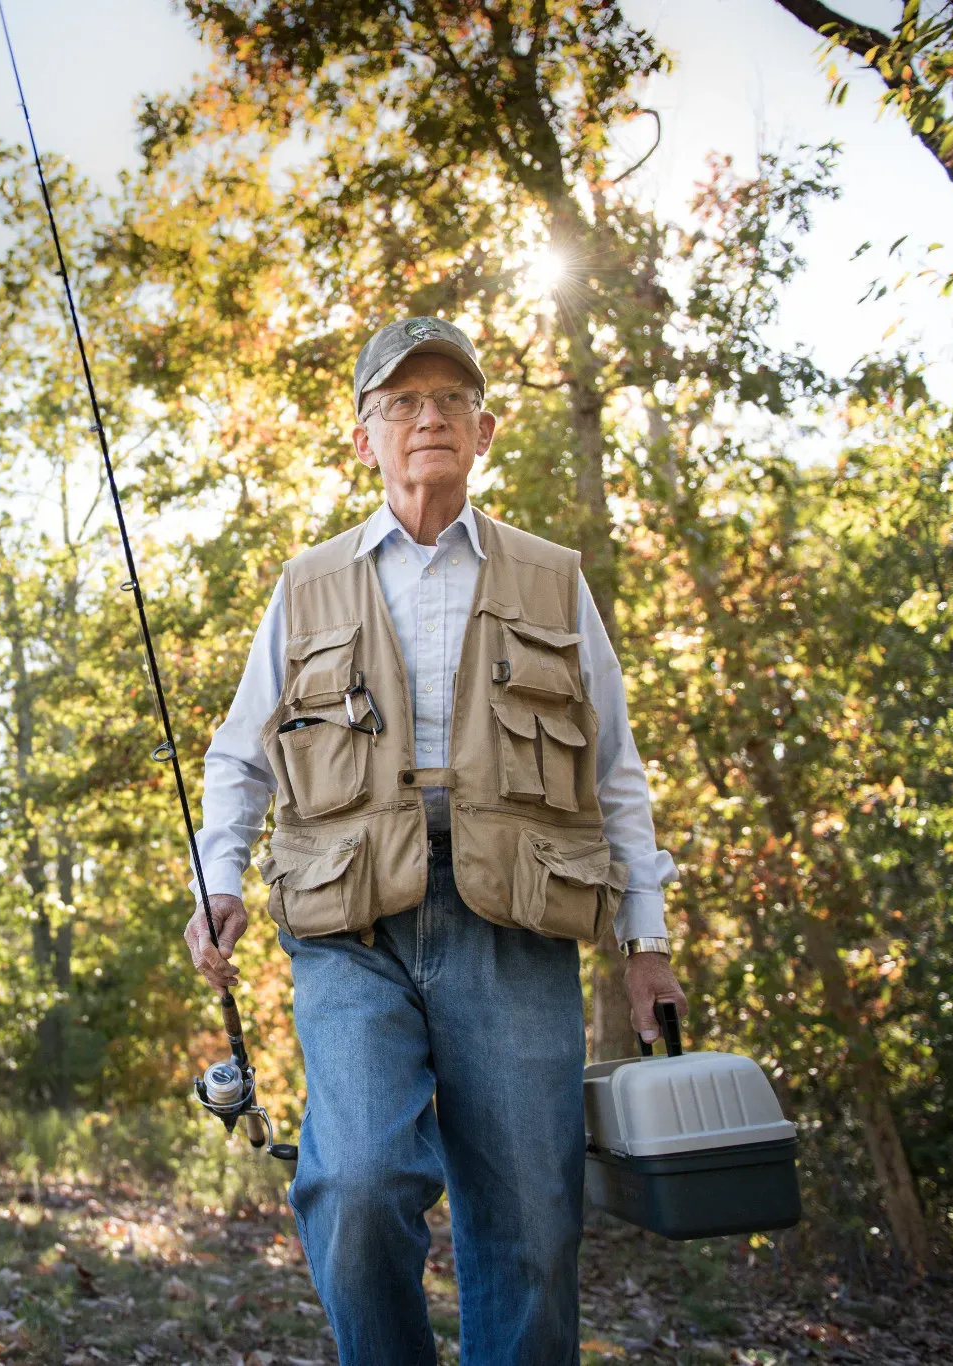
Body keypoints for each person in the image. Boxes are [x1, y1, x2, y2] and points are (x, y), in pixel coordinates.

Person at [185, 317, 688, 1365]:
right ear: (361, 440)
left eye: (448, 400)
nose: (426, 418)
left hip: (513, 915)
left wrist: (645, 942)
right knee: (357, 1183)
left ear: (484, 429)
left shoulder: (552, 578)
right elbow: (241, 753)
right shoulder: (305, 582)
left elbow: (613, 768)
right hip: (351, 925)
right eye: (399, 403)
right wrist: (215, 878)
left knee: (531, 1225)